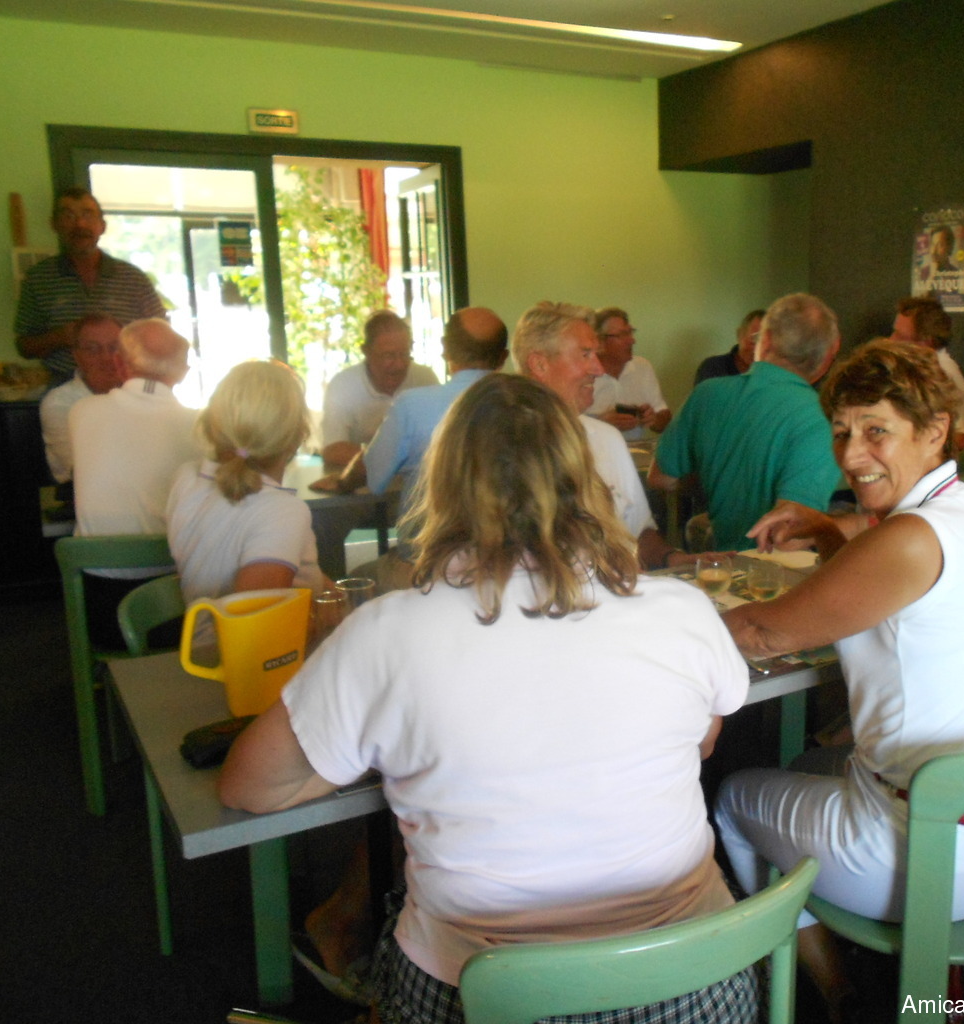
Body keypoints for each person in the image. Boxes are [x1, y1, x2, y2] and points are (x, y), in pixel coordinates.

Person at [218, 372, 755, 1024]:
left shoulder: (386, 634)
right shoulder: (682, 611)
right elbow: (702, 741)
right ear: (585, 479)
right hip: (697, 985)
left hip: (481, 997)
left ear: (443, 487)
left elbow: (248, 787)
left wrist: (380, 760)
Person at [714, 339, 964, 1018]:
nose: (851, 454)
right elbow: (883, 576)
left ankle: (837, 995)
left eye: (875, 431)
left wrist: (656, 620)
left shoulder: (908, 538)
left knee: (734, 795)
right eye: (841, 432)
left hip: (930, 859)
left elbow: (763, 632)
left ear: (933, 431)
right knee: (808, 766)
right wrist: (828, 533)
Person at [649, 293, 844, 551]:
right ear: (826, 359)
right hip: (780, 568)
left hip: (724, 562)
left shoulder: (707, 394)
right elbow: (789, 536)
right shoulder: (824, 419)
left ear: (767, 340)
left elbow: (660, 479)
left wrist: (718, 473)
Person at [516, 301, 690, 570]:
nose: (598, 369)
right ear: (539, 364)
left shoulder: (607, 439)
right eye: (585, 354)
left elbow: (639, 533)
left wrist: (675, 560)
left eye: (595, 354)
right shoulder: (504, 447)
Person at [69, 318, 198, 647]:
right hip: (177, 596)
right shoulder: (201, 426)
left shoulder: (81, 411)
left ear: (118, 363)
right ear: (183, 372)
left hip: (100, 599)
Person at [166, 360, 326, 604]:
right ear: (298, 436)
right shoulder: (282, 511)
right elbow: (255, 620)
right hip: (254, 630)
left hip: (196, 625)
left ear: (210, 426)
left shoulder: (187, 478)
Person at [344, 307, 508, 498]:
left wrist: (342, 482)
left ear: (445, 348)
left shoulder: (411, 406)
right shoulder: (526, 404)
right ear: (503, 357)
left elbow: (371, 472)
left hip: (429, 519)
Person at [15, 187, 166, 388]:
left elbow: (163, 338)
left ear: (102, 226)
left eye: (88, 215)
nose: (80, 224)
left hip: (127, 386)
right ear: (54, 225)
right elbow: (23, 346)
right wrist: (61, 336)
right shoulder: (38, 279)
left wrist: (124, 343)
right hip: (65, 388)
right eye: (68, 216)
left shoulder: (133, 278)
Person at [319, 311, 439, 469]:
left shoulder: (425, 379)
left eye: (404, 354)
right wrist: (393, 458)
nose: (399, 365)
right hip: (360, 478)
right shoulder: (343, 386)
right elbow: (333, 450)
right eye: (389, 356)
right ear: (366, 352)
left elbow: (441, 438)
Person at [39, 312, 124, 488]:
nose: (106, 357)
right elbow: (81, 469)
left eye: (114, 347)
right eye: (93, 349)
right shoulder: (60, 403)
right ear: (76, 356)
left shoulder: (142, 394)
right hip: (80, 495)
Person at [890, 295, 964, 450]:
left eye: (900, 336)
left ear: (925, 342)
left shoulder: (936, 374)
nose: (891, 340)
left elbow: (958, 439)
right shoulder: (945, 366)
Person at [585, 306, 671, 440]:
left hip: (635, 449)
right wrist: (601, 424)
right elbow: (560, 430)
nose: (632, 340)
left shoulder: (642, 367)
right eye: (622, 335)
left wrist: (653, 418)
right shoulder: (582, 372)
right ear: (598, 341)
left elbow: (665, 423)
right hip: (590, 450)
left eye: (630, 332)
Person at [694, 308, 764, 385]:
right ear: (740, 335)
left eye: (766, 343)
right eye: (755, 339)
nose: (759, 349)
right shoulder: (713, 368)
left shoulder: (770, 374)